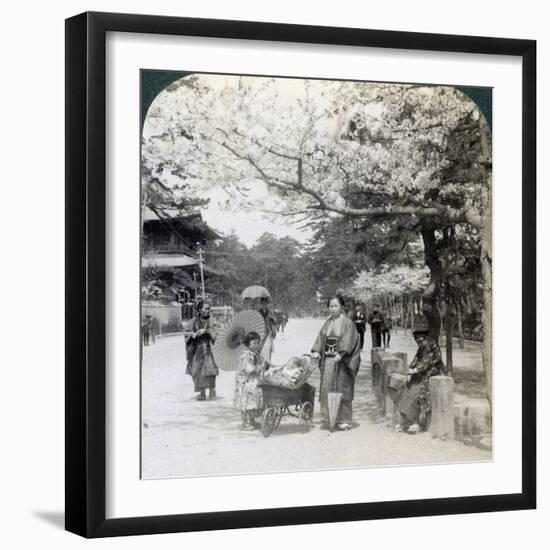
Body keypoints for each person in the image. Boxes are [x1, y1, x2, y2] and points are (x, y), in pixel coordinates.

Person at [311, 294, 361, 430]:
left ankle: (344, 419)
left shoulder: (348, 323)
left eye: (336, 306)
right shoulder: (327, 322)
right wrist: (316, 350)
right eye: (331, 306)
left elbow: (349, 340)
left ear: (342, 306)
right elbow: (321, 338)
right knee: (327, 386)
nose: (333, 309)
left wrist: (342, 353)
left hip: (343, 361)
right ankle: (328, 417)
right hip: (328, 360)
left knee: (342, 387)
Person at [393, 325, 446, 433]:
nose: (419, 343)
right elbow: (415, 360)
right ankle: (405, 420)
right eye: (417, 341)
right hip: (420, 373)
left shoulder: (432, 346)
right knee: (406, 388)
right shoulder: (421, 348)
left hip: (431, 372)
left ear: (425, 338)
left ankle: (415, 422)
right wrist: (410, 370)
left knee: (417, 391)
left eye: (420, 340)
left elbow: (428, 362)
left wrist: (415, 370)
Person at [184, 301, 219, 401]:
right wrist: (192, 335)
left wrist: (207, 331)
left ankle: (212, 390)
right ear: (199, 309)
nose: (208, 311)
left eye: (209, 308)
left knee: (210, 370)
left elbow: (217, 332)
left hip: (209, 349)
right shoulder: (193, 321)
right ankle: (202, 392)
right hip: (197, 349)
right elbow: (187, 332)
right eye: (206, 308)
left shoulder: (212, 320)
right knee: (197, 371)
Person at [234, 331, 267, 430]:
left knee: (253, 402)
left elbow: (260, 361)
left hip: (252, 381)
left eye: (258, 343)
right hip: (245, 382)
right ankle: (245, 423)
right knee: (246, 402)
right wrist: (259, 367)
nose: (256, 345)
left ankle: (252, 420)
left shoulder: (254, 354)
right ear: (248, 343)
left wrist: (263, 363)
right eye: (254, 343)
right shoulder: (245, 355)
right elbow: (249, 369)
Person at [257, 297, 277, 362]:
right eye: (263, 303)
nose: (264, 305)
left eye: (266, 303)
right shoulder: (258, 312)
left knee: (268, 349)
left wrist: (272, 320)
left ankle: (268, 363)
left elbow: (273, 321)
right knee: (261, 349)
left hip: (268, 332)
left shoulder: (269, 312)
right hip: (261, 333)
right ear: (261, 304)